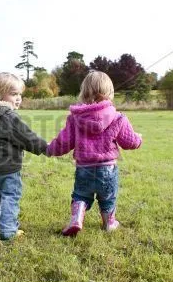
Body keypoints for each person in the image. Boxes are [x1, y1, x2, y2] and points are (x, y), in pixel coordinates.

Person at [47, 70, 142, 236]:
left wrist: (50, 148)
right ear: (109, 93)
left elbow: (64, 142)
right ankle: (109, 223)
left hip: (84, 168)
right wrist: (138, 139)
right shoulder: (118, 117)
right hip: (108, 169)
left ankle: (77, 217)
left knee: (80, 195)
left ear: (84, 92)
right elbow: (129, 142)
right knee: (108, 197)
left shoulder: (75, 118)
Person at [0, 72, 48, 240]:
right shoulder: (8, 116)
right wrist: (45, 148)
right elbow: (27, 137)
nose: (19, 98)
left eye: (20, 94)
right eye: (14, 94)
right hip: (8, 166)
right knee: (10, 196)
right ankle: (8, 230)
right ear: (0, 94)